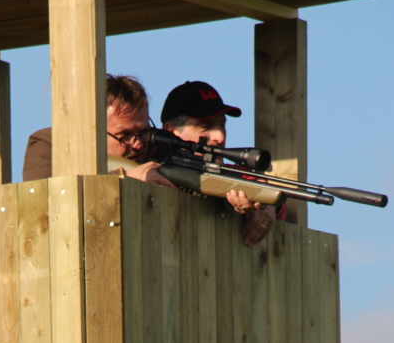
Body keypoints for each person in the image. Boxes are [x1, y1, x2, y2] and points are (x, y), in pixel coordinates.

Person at [160, 80, 284, 247]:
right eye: (205, 126)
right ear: (171, 131)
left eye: (222, 125)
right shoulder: (150, 168)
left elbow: (267, 191)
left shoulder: (234, 173)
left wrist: (266, 206)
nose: (220, 137)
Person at [22, 74, 172, 186]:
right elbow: (43, 199)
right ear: (92, 131)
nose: (138, 144)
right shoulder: (50, 146)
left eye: (143, 132)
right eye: (124, 135)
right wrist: (126, 177)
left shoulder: (158, 147)